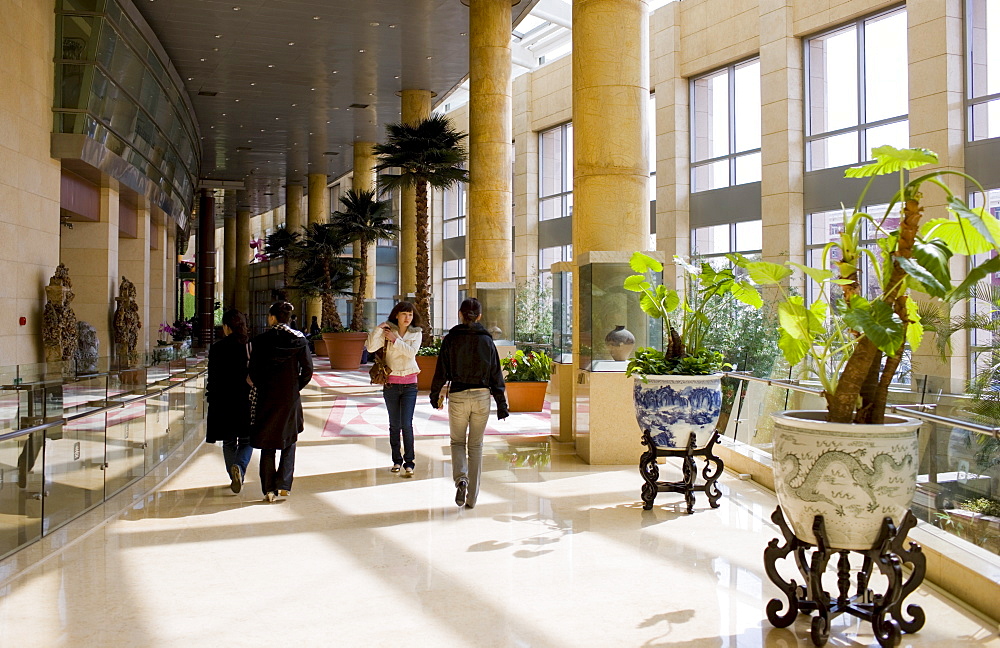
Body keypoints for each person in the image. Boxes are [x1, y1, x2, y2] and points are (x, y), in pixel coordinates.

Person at [430, 298, 508, 509]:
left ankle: (461, 480)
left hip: (458, 395)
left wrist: (434, 394)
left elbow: (441, 371)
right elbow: (496, 374)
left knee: (457, 442)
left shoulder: (451, 339)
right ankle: (472, 498)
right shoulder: (487, 341)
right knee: (475, 446)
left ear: (460, 314)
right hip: (482, 397)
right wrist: (502, 404)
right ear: (480, 316)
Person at [249, 301, 313, 502]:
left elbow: (253, 371)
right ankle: (284, 485)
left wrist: (264, 385)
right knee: (289, 439)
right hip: (289, 398)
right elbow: (308, 370)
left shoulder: (260, 340)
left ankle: (268, 489)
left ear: (272, 318)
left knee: (268, 443)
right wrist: (295, 387)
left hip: (266, 397)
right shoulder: (300, 340)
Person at [366, 301, 422, 477]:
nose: (407, 318)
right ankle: (396, 460)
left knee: (406, 424)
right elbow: (370, 347)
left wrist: (395, 340)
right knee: (394, 424)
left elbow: (411, 353)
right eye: (404, 314)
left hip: (410, 384)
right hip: (391, 384)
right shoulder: (388, 331)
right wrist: (378, 329)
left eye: (410, 314)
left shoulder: (416, 333)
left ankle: (409, 462)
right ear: (396, 315)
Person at [206, 309, 254, 493]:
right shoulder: (249, 345)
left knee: (228, 441)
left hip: (223, 400)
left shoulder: (217, 347)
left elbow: (213, 376)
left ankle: (235, 474)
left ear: (226, 327)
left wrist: (211, 397)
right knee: (247, 439)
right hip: (245, 399)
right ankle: (240, 468)